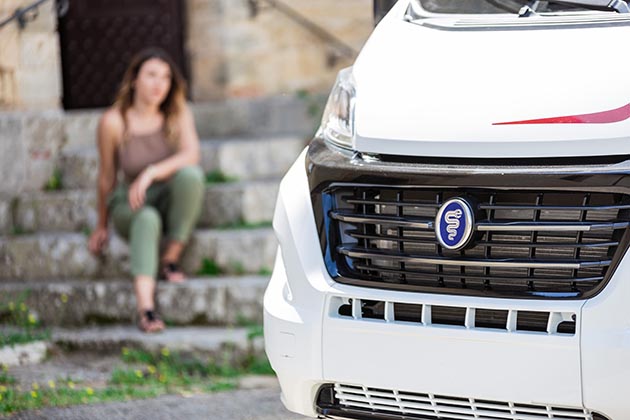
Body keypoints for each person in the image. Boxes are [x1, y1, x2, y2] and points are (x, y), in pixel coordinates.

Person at [88, 48, 204, 333]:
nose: (158, 84)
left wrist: (151, 172)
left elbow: (191, 155)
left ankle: (170, 258)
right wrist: (101, 225)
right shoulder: (114, 122)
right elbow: (106, 177)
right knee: (147, 218)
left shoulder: (177, 112)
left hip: (165, 194)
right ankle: (146, 309)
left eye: (165, 77)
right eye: (151, 75)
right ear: (134, 80)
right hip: (130, 202)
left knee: (191, 176)